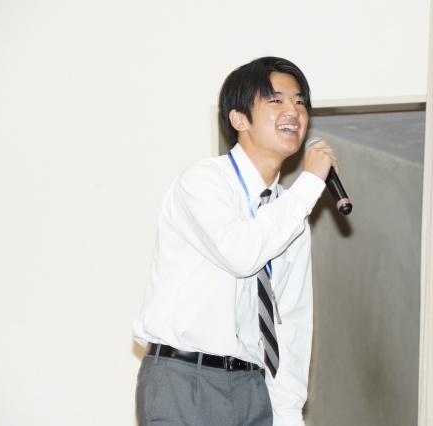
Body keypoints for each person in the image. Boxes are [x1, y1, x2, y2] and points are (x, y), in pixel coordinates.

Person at [133, 56, 340, 426]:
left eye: (299, 101)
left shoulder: (290, 212)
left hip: (251, 387)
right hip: (185, 379)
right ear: (239, 118)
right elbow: (241, 253)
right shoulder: (203, 181)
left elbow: (292, 320)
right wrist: (310, 184)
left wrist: (288, 414)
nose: (293, 111)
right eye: (276, 100)